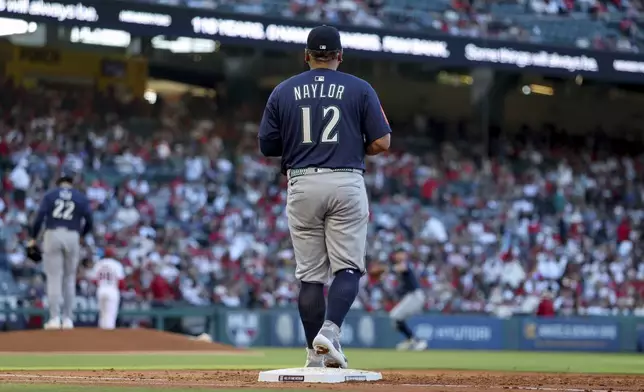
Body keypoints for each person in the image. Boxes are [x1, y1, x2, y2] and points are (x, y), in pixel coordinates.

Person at [258, 25, 391, 368]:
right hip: (346, 179)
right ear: (339, 56)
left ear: (307, 56)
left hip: (301, 181)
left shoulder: (283, 91)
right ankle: (329, 332)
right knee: (347, 267)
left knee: (310, 276)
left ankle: (312, 356)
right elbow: (382, 142)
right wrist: (349, 144)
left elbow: (267, 146)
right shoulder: (360, 88)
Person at [29, 170, 93, 330]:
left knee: (54, 278)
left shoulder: (51, 195)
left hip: (53, 233)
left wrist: (33, 238)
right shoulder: (80, 196)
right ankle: (68, 319)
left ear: (59, 183)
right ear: (71, 183)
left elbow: (40, 217)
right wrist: (82, 235)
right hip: (73, 235)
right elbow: (90, 220)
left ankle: (54, 318)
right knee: (69, 278)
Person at [389, 247, 428, 351]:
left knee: (395, 316)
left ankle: (417, 341)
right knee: (395, 318)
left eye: (400, 253)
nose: (398, 255)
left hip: (416, 295)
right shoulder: (402, 264)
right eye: (397, 254)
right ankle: (411, 339)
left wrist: (387, 269)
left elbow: (401, 268)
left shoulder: (405, 263)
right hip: (412, 295)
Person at [88, 247, 125, 330]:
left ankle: (102, 336)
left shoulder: (99, 264)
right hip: (112, 290)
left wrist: (101, 284)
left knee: (102, 314)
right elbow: (121, 282)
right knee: (110, 315)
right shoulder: (116, 264)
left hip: (101, 289)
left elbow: (94, 280)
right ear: (113, 255)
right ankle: (108, 337)